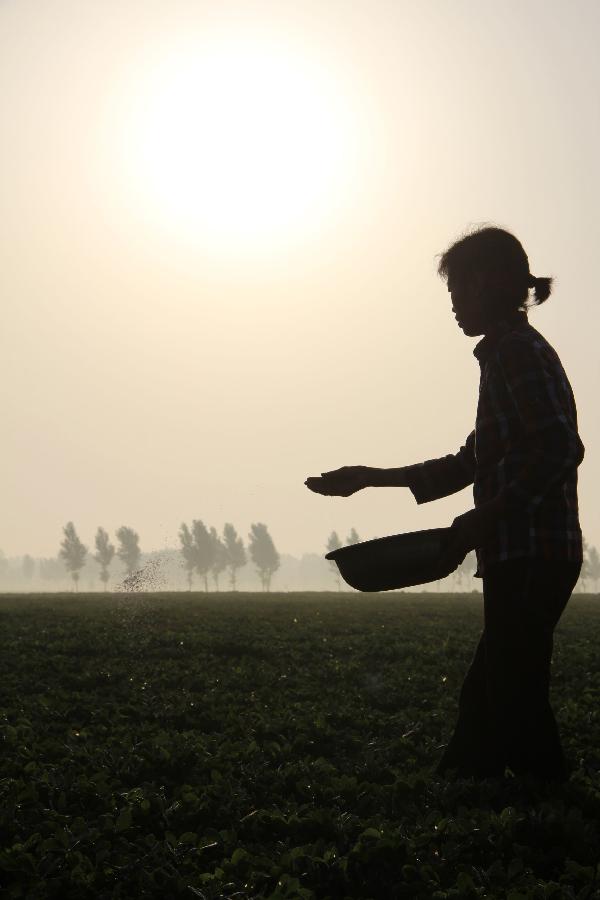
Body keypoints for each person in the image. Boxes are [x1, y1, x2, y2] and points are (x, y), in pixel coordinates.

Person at [304, 225, 584, 784]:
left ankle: (522, 789)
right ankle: (479, 781)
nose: (453, 305)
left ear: (489, 283)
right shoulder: (502, 357)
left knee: (510, 681)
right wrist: (369, 478)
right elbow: (467, 463)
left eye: (458, 290)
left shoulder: (518, 353)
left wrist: (485, 517)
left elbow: (560, 447)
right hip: (517, 552)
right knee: (501, 679)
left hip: (534, 551)